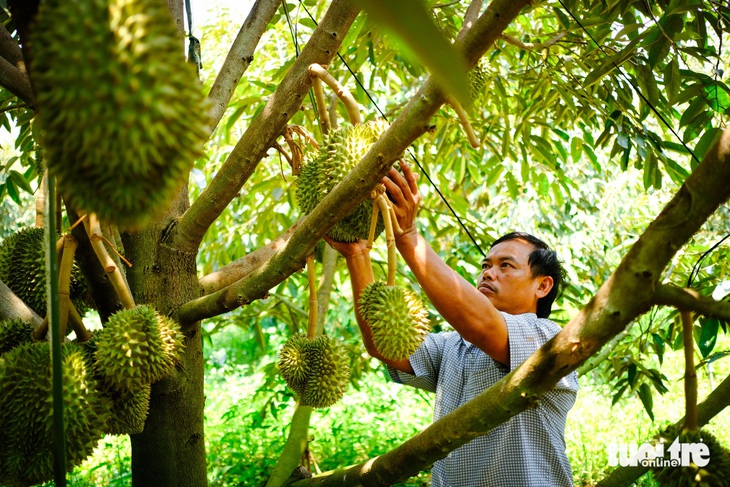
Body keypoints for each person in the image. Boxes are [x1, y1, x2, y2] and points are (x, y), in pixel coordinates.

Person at [327, 161, 579, 487]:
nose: (488, 272)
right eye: (486, 265)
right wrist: (357, 255)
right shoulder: (454, 346)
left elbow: (481, 325)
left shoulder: (549, 340)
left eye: (506, 265)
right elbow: (382, 344)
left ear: (542, 286)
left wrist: (406, 235)